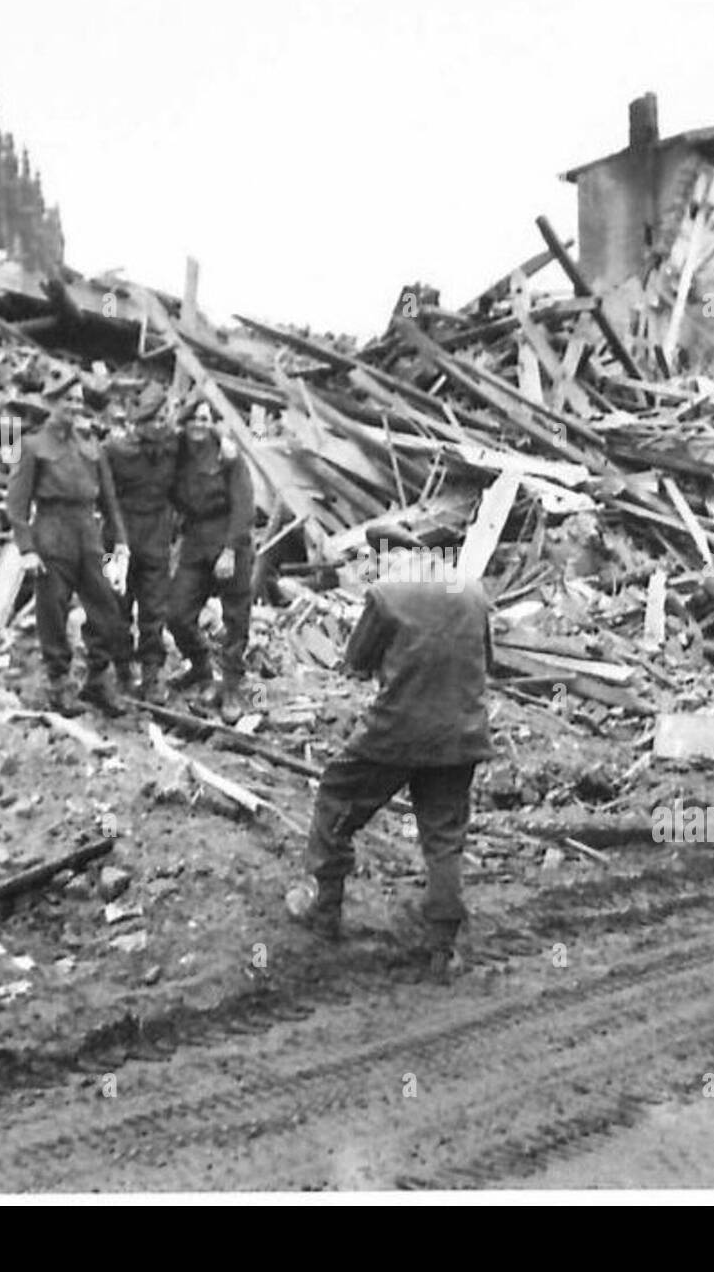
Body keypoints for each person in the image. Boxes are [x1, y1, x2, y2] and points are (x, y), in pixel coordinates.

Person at [293, 523, 494, 981]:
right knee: (443, 838)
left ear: (393, 555)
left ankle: (324, 911)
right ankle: (442, 947)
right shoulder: (472, 591)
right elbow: (487, 662)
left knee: (336, 798)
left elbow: (356, 660)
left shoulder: (387, 594)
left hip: (396, 732)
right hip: (461, 734)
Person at [5, 374, 131, 717]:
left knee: (105, 607)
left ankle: (98, 681)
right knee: (53, 612)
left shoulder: (91, 445)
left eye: (78, 400)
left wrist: (119, 541)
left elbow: (109, 499)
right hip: (52, 534)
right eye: (67, 400)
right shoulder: (32, 446)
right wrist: (27, 549)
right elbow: (15, 504)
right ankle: (58, 685)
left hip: (89, 536)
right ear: (50, 403)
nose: (75, 406)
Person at [167, 393, 256, 722]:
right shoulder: (177, 452)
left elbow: (244, 505)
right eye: (193, 419)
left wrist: (231, 550)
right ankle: (202, 667)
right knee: (176, 612)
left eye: (205, 420)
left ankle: (231, 685)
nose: (199, 425)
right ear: (185, 422)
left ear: (212, 423)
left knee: (236, 618)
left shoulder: (228, 456)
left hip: (229, 539)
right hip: (195, 542)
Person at [101, 382, 179, 703]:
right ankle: (122, 670)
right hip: (120, 540)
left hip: (156, 541)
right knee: (116, 608)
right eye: (152, 422)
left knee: (153, 611)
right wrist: (117, 542)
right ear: (137, 424)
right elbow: (105, 498)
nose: (159, 427)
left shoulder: (174, 450)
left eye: (163, 420)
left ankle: (152, 674)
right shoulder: (115, 452)